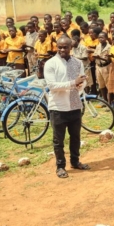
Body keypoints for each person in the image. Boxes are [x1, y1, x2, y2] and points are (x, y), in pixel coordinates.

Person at [44, 35, 90, 179]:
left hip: (75, 105)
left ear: (71, 47)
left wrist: (81, 84)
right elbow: (52, 86)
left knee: (75, 137)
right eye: (60, 47)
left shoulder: (77, 62)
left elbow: (82, 81)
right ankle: (60, 167)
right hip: (58, 107)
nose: (62, 50)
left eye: (65, 47)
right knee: (59, 140)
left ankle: (75, 162)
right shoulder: (51, 64)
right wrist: (73, 83)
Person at [93, 32, 111, 103]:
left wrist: (100, 58)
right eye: (99, 37)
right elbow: (95, 54)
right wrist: (95, 57)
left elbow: (109, 60)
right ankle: (104, 100)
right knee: (101, 85)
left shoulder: (109, 47)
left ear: (106, 38)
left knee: (108, 84)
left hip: (106, 66)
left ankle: (109, 101)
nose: (100, 39)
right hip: (98, 67)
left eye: (102, 37)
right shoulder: (98, 46)